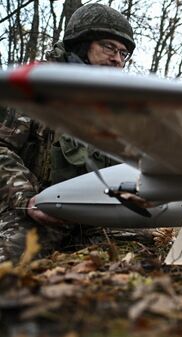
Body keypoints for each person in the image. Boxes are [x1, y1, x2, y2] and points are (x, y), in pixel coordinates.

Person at [0, 3, 136, 263]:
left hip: (95, 217)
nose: (118, 58)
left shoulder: (114, 106)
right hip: (32, 210)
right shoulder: (34, 86)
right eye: (109, 46)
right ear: (82, 45)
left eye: (123, 53)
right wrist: (26, 198)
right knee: (11, 265)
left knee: (147, 258)